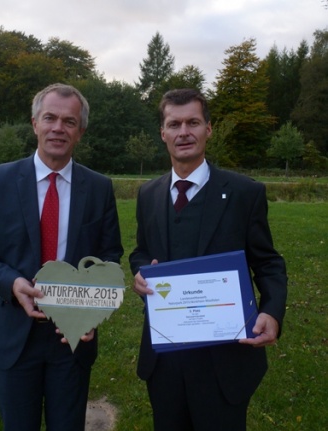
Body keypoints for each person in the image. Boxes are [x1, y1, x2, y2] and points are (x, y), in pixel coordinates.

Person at [0, 83, 123, 431]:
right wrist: (12, 282)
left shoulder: (98, 187)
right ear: (35, 123)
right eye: (49, 118)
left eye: (69, 121)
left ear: (80, 131)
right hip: (13, 334)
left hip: (72, 338)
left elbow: (109, 257)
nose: (58, 128)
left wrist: (91, 313)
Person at [129, 88, 287, 431]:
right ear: (163, 133)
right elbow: (142, 250)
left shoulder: (245, 192)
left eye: (193, 122)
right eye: (174, 123)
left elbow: (268, 262)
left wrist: (271, 313)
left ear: (208, 129)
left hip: (225, 359)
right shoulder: (149, 194)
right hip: (165, 357)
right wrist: (140, 273)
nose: (183, 131)